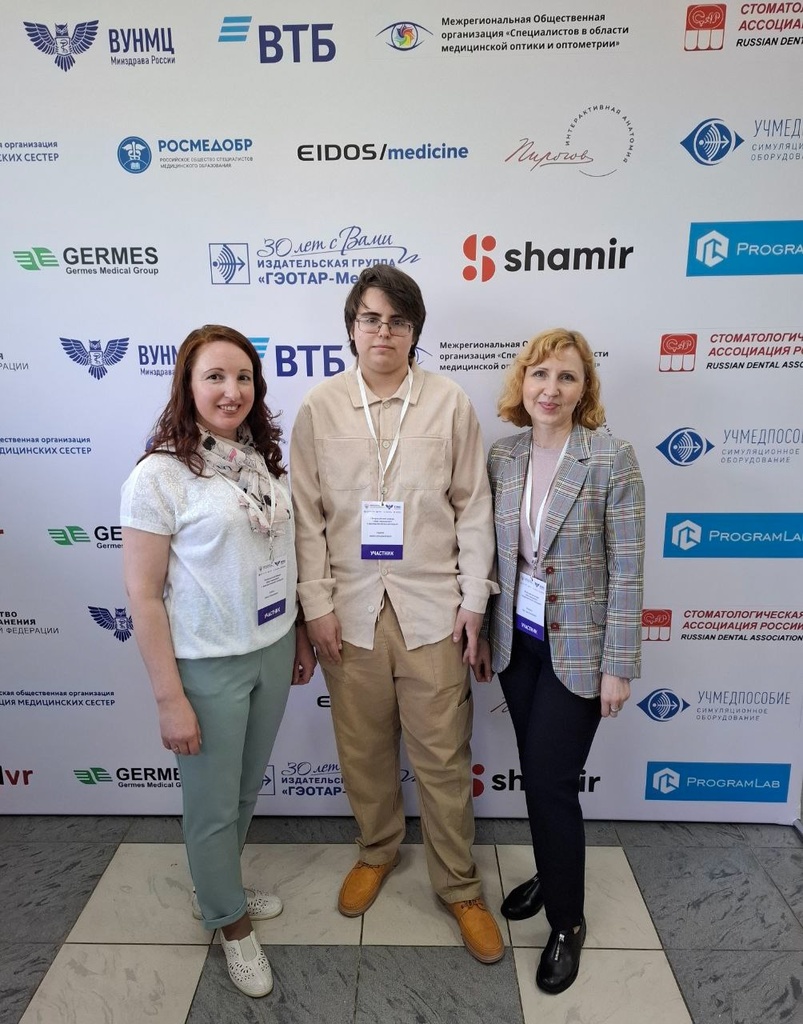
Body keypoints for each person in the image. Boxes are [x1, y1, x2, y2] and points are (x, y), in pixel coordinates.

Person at [289, 264, 504, 964]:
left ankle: (459, 886)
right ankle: (377, 849)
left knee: (442, 756)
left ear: (414, 332)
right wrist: (315, 606)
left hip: (432, 610)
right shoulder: (320, 407)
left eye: (398, 321)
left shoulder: (449, 403)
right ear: (352, 328)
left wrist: (474, 600)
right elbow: (306, 517)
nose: (383, 332)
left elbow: (473, 507)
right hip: (348, 612)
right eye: (371, 319)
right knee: (362, 749)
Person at [121, 325, 316, 998]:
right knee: (210, 805)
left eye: (243, 377)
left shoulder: (255, 460)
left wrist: (297, 634)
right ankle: (230, 924)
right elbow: (143, 596)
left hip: (270, 649)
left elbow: (279, 556)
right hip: (207, 666)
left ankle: (218, 887)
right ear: (187, 385)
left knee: (242, 792)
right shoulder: (158, 476)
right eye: (215, 377)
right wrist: (169, 698)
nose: (231, 391)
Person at [477, 328, 645, 994]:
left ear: (584, 389)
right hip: (518, 642)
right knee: (537, 774)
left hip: (580, 649)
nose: (550, 388)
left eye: (566, 377)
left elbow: (627, 569)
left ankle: (567, 922)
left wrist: (617, 665)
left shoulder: (611, 458)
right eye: (539, 374)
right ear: (522, 382)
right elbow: (491, 554)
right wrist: (480, 633)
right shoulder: (503, 454)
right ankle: (553, 872)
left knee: (550, 783)